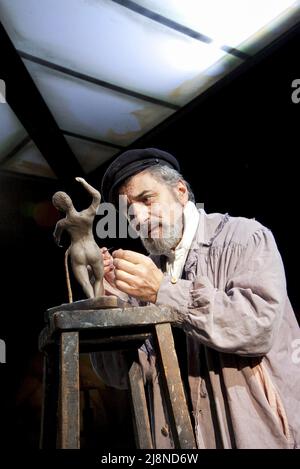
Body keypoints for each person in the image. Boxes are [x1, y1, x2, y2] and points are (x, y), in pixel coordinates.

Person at [91, 148, 300, 449]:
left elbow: (257, 325)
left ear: (180, 192)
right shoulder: (148, 275)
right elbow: (122, 375)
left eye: (146, 199)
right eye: (128, 212)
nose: (137, 216)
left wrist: (162, 291)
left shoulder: (244, 237)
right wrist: (107, 300)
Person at [52, 177, 104, 299]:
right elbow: (97, 196)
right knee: (99, 279)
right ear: (70, 200)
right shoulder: (87, 214)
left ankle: (92, 302)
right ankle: (97, 302)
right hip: (92, 249)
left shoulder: (61, 224)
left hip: (77, 252)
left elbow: (56, 237)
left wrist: (60, 242)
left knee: (85, 283)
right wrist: (84, 183)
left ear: (58, 208)